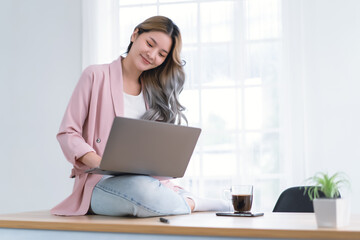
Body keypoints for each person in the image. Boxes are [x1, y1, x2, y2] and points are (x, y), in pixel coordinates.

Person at [52, 16, 231, 217]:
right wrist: (99, 162)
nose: (152, 55)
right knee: (142, 190)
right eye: (150, 44)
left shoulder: (155, 93)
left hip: (146, 181)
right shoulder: (95, 75)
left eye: (162, 54)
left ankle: (180, 200)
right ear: (135, 34)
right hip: (99, 184)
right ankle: (192, 203)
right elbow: (68, 132)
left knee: (145, 186)